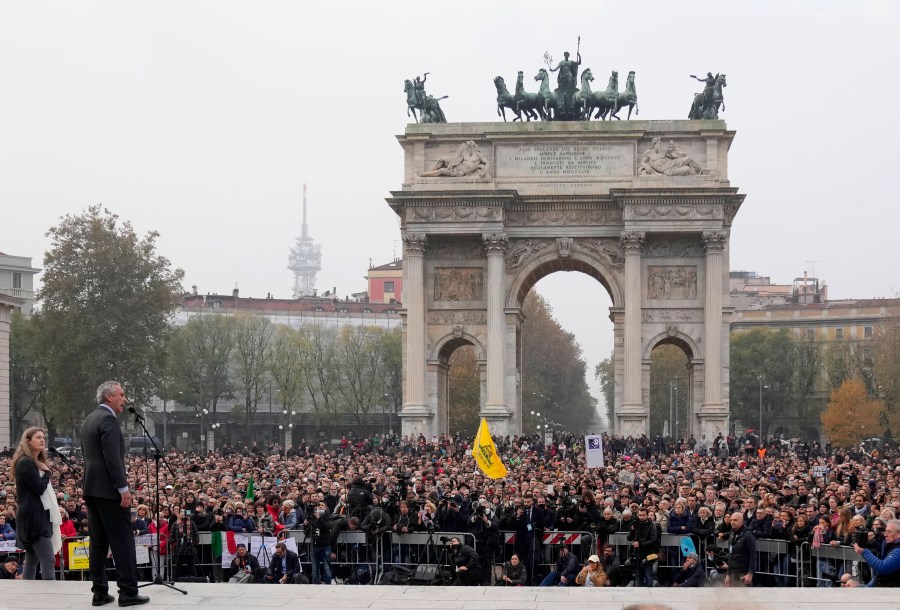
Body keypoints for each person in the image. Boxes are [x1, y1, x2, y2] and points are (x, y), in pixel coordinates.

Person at [81, 381, 147, 606]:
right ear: (109, 397)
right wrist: (123, 488)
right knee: (122, 541)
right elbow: (112, 458)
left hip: (92, 488)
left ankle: (99, 592)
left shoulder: (90, 419)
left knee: (98, 542)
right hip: (109, 491)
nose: (124, 399)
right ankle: (128, 592)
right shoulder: (108, 420)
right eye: (121, 395)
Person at [11, 427, 57, 581]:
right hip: (34, 517)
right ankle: (50, 596)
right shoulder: (26, 462)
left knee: (32, 560)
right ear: (28, 441)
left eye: (43, 437)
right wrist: (47, 474)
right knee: (48, 560)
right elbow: (38, 488)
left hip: (32, 514)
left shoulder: (31, 462)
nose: (42, 440)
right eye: (38, 437)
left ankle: (28, 594)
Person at [855, 519, 900, 587]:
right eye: (885, 531)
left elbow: (883, 568)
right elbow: (879, 575)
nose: (885, 535)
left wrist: (864, 552)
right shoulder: (890, 546)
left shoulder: (898, 550)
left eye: (889, 532)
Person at [723, 512, 756, 587]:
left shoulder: (748, 535)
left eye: (735, 520)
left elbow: (753, 556)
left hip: (744, 573)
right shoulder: (731, 535)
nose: (732, 522)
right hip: (733, 572)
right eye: (731, 520)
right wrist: (728, 574)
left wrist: (750, 573)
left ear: (741, 521)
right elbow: (730, 555)